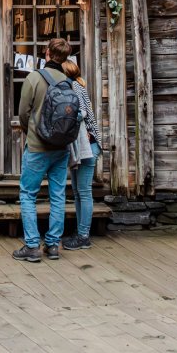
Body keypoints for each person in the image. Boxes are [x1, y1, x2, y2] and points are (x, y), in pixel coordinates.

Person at [13, 37, 75, 262]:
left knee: (28, 194)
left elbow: (22, 112)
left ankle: (31, 246)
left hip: (38, 147)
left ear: (47, 53)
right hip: (61, 147)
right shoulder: (69, 81)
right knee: (57, 195)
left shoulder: (34, 78)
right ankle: (53, 245)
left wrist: (30, 131)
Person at [59, 56, 102, 250]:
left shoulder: (74, 87)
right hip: (85, 146)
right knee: (78, 192)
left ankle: (84, 235)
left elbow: (82, 112)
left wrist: (64, 115)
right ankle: (80, 231)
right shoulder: (79, 86)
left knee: (83, 192)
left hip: (87, 146)